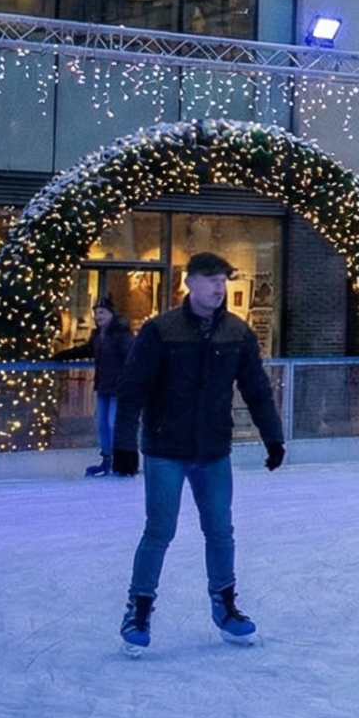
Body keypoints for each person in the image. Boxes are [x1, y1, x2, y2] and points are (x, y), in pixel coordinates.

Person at [110, 251, 283, 656]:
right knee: (159, 531)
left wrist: (272, 437)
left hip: (213, 450)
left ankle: (225, 608)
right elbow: (133, 389)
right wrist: (123, 446)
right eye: (211, 280)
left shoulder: (237, 333)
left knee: (220, 530)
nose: (219, 288)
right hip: (165, 449)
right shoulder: (160, 331)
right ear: (189, 283)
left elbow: (256, 390)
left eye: (223, 280)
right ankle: (138, 609)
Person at [81, 298, 135, 479]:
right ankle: (107, 460)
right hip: (103, 386)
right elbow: (87, 350)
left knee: (114, 424)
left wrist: (127, 382)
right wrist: (62, 355)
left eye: (102, 312)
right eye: (96, 313)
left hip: (118, 388)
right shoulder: (98, 336)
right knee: (102, 424)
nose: (98, 316)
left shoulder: (122, 335)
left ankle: (120, 461)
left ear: (112, 314)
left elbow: (132, 358)